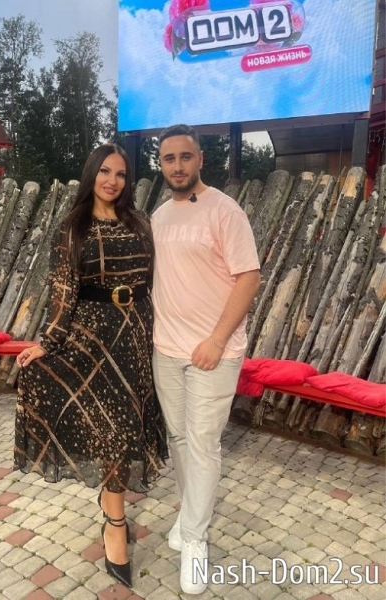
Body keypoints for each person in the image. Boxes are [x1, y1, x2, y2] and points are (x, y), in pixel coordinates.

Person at [14, 143, 167, 589]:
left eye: (120, 174)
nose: (112, 181)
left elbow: (158, 280)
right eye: (104, 171)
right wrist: (47, 344)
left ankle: (111, 504)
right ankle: (115, 522)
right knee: (111, 428)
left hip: (135, 333)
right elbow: (63, 291)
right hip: (91, 335)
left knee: (124, 425)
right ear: (91, 174)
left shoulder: (140, 223)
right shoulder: (73, 227)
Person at [151, 124, 261, 595]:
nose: (177, 166)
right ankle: (189, 515)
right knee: (179, 438)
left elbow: (249, 277)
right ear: (160, 164)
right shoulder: (158, 217)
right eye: (169, 158)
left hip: (213, 352)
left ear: (200, 159)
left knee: (202, 444)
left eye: (185, 157)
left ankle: (195, 539)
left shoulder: (224, 210)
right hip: (166, 349)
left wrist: (217, 339)